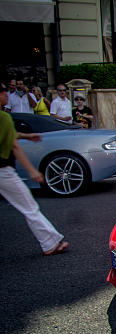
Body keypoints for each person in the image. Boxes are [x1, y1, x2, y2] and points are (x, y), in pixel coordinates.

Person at [0, 83, 68, 256]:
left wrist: (26, 136)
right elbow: (14, 146)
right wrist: (32, 171)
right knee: (29, 207)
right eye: (3, 92)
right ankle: (50, 243)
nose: (6, 95)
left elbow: (12, 136)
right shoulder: (4, 118)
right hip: (3, 171)